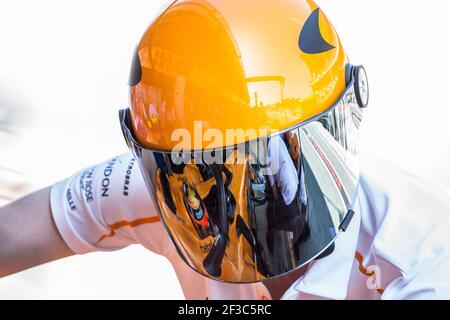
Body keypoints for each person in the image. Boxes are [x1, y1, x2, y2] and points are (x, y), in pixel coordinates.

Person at [1, 0, 450, 300]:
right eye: (215, 168)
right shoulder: (168, 187)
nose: (243, 197)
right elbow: (17, 233)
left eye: (267, 160)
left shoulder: (421, 261)